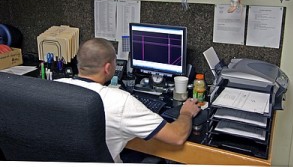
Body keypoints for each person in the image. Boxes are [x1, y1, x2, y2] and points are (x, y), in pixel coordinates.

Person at [55, 38, 201, 163]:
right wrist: (186, 113)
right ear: (108, 68)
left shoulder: (54, 87)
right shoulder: (120, 101)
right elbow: (177, 136)